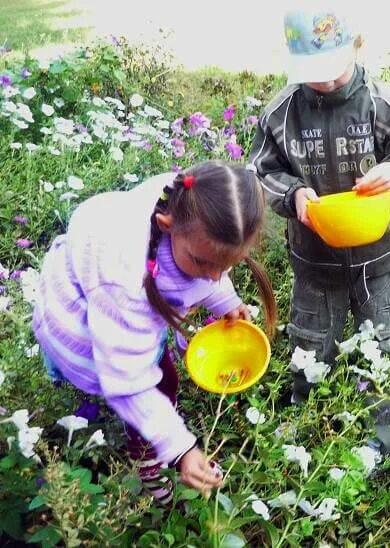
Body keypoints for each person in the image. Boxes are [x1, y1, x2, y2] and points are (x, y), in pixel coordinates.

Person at [248, 5, 390, 453]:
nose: (324, 80)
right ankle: (305, 413)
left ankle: (386, 431)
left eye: (333, 68)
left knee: (389, 337)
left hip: (379, 258)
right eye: (313, 72)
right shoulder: (282, 112)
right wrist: (294, 193)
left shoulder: (384, 103)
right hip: (314, 259)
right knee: (311, 340)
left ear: (358, 45)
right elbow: (261, 169)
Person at [32, 161, 277, 504]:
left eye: (227, 265)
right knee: (155, 383)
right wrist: (182, 448)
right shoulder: (123, 280)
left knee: (162, 376)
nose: (213, 276)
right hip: (81, 322)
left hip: (113, 300)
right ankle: (150, 461)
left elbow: (209, 268)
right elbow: (129, 382)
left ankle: (156, 428)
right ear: (166, 225)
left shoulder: (189, 204)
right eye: (202, 264)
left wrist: (225, 300)